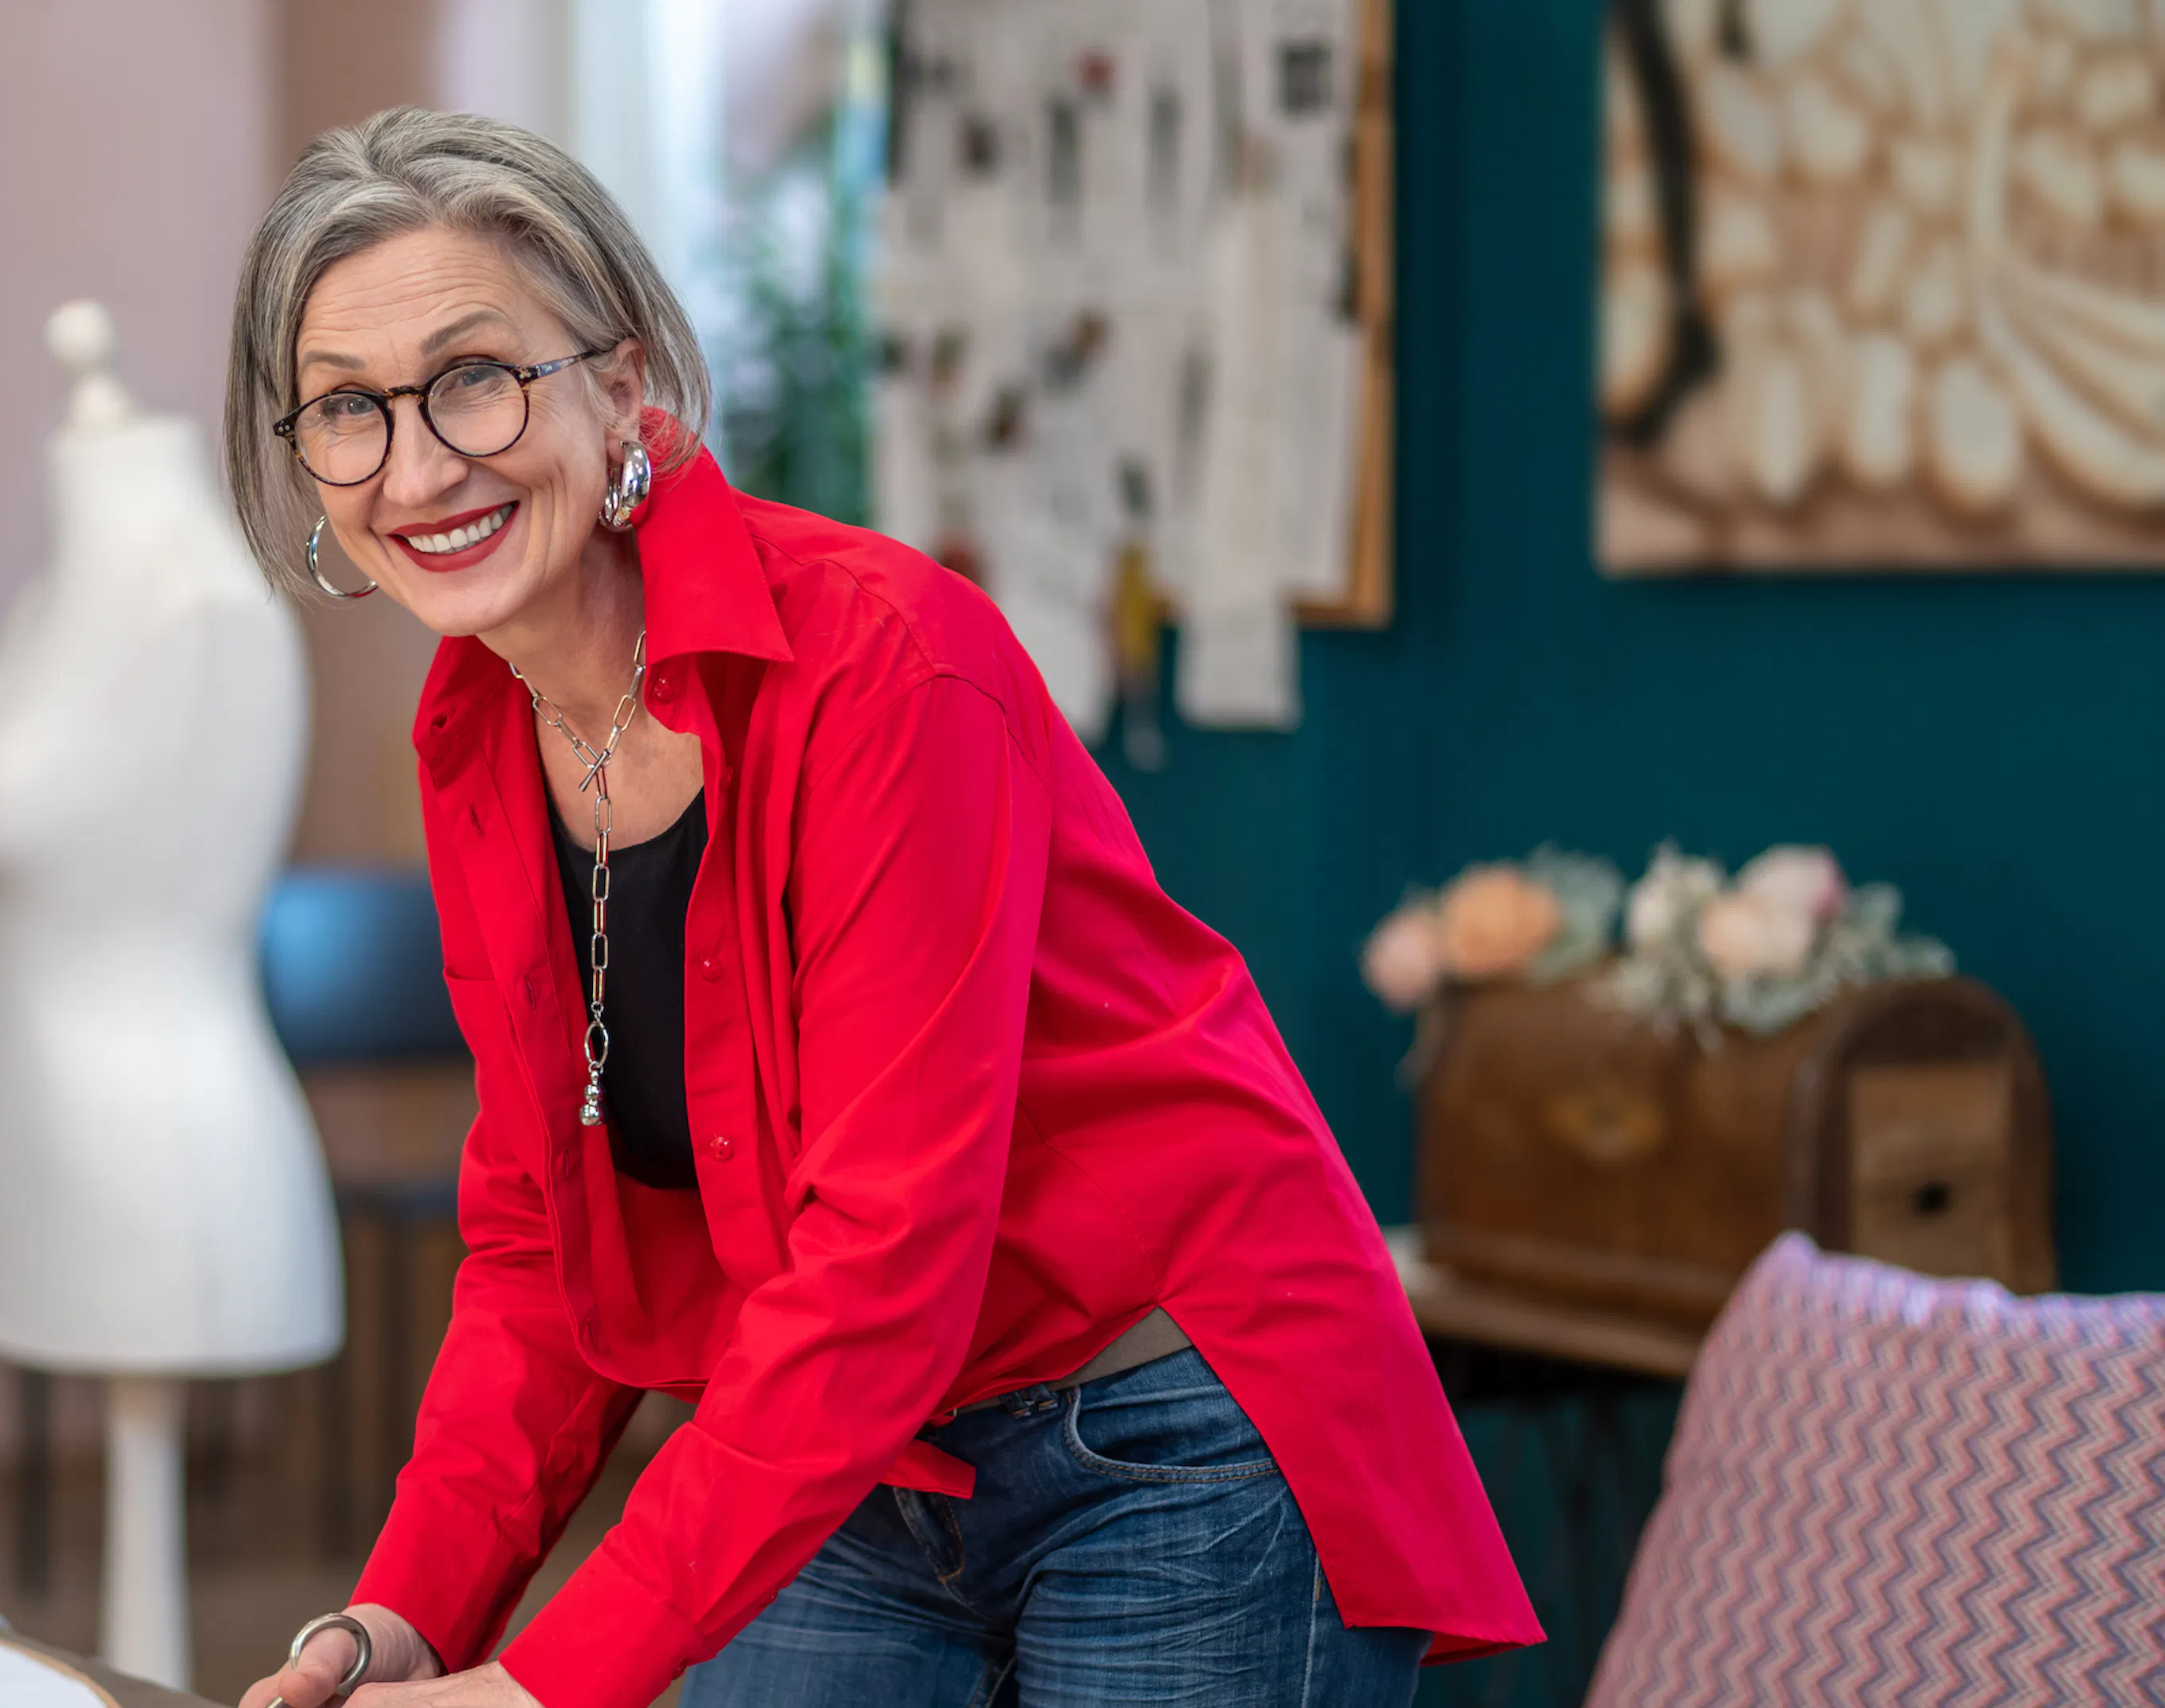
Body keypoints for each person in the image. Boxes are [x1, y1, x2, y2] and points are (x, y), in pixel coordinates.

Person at [223, 108, 1536, 1708]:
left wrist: (545, 1683)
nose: (418, 466)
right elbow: (534, 1248)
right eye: (347, 411)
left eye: (475, 378)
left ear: (625, 385)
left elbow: (889, 1254)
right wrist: (403, 1623)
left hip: (1172, 1416)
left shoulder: (885, 664)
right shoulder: (482, 729)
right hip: (862, 1434)